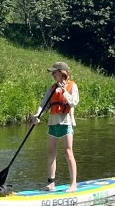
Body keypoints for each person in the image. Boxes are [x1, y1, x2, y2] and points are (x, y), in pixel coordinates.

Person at [30, 61, 79, 192]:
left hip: (66, 123)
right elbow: (44, 104)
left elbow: (74, 102)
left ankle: (73, 184)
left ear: (62, 73)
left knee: (68, 153)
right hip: (52, 124)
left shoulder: (72, 86)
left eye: (54, 72)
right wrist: (37, 115)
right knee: (51, 153)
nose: (52, 74)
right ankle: (51, 183)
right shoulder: (51, 88)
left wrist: (63, 91)